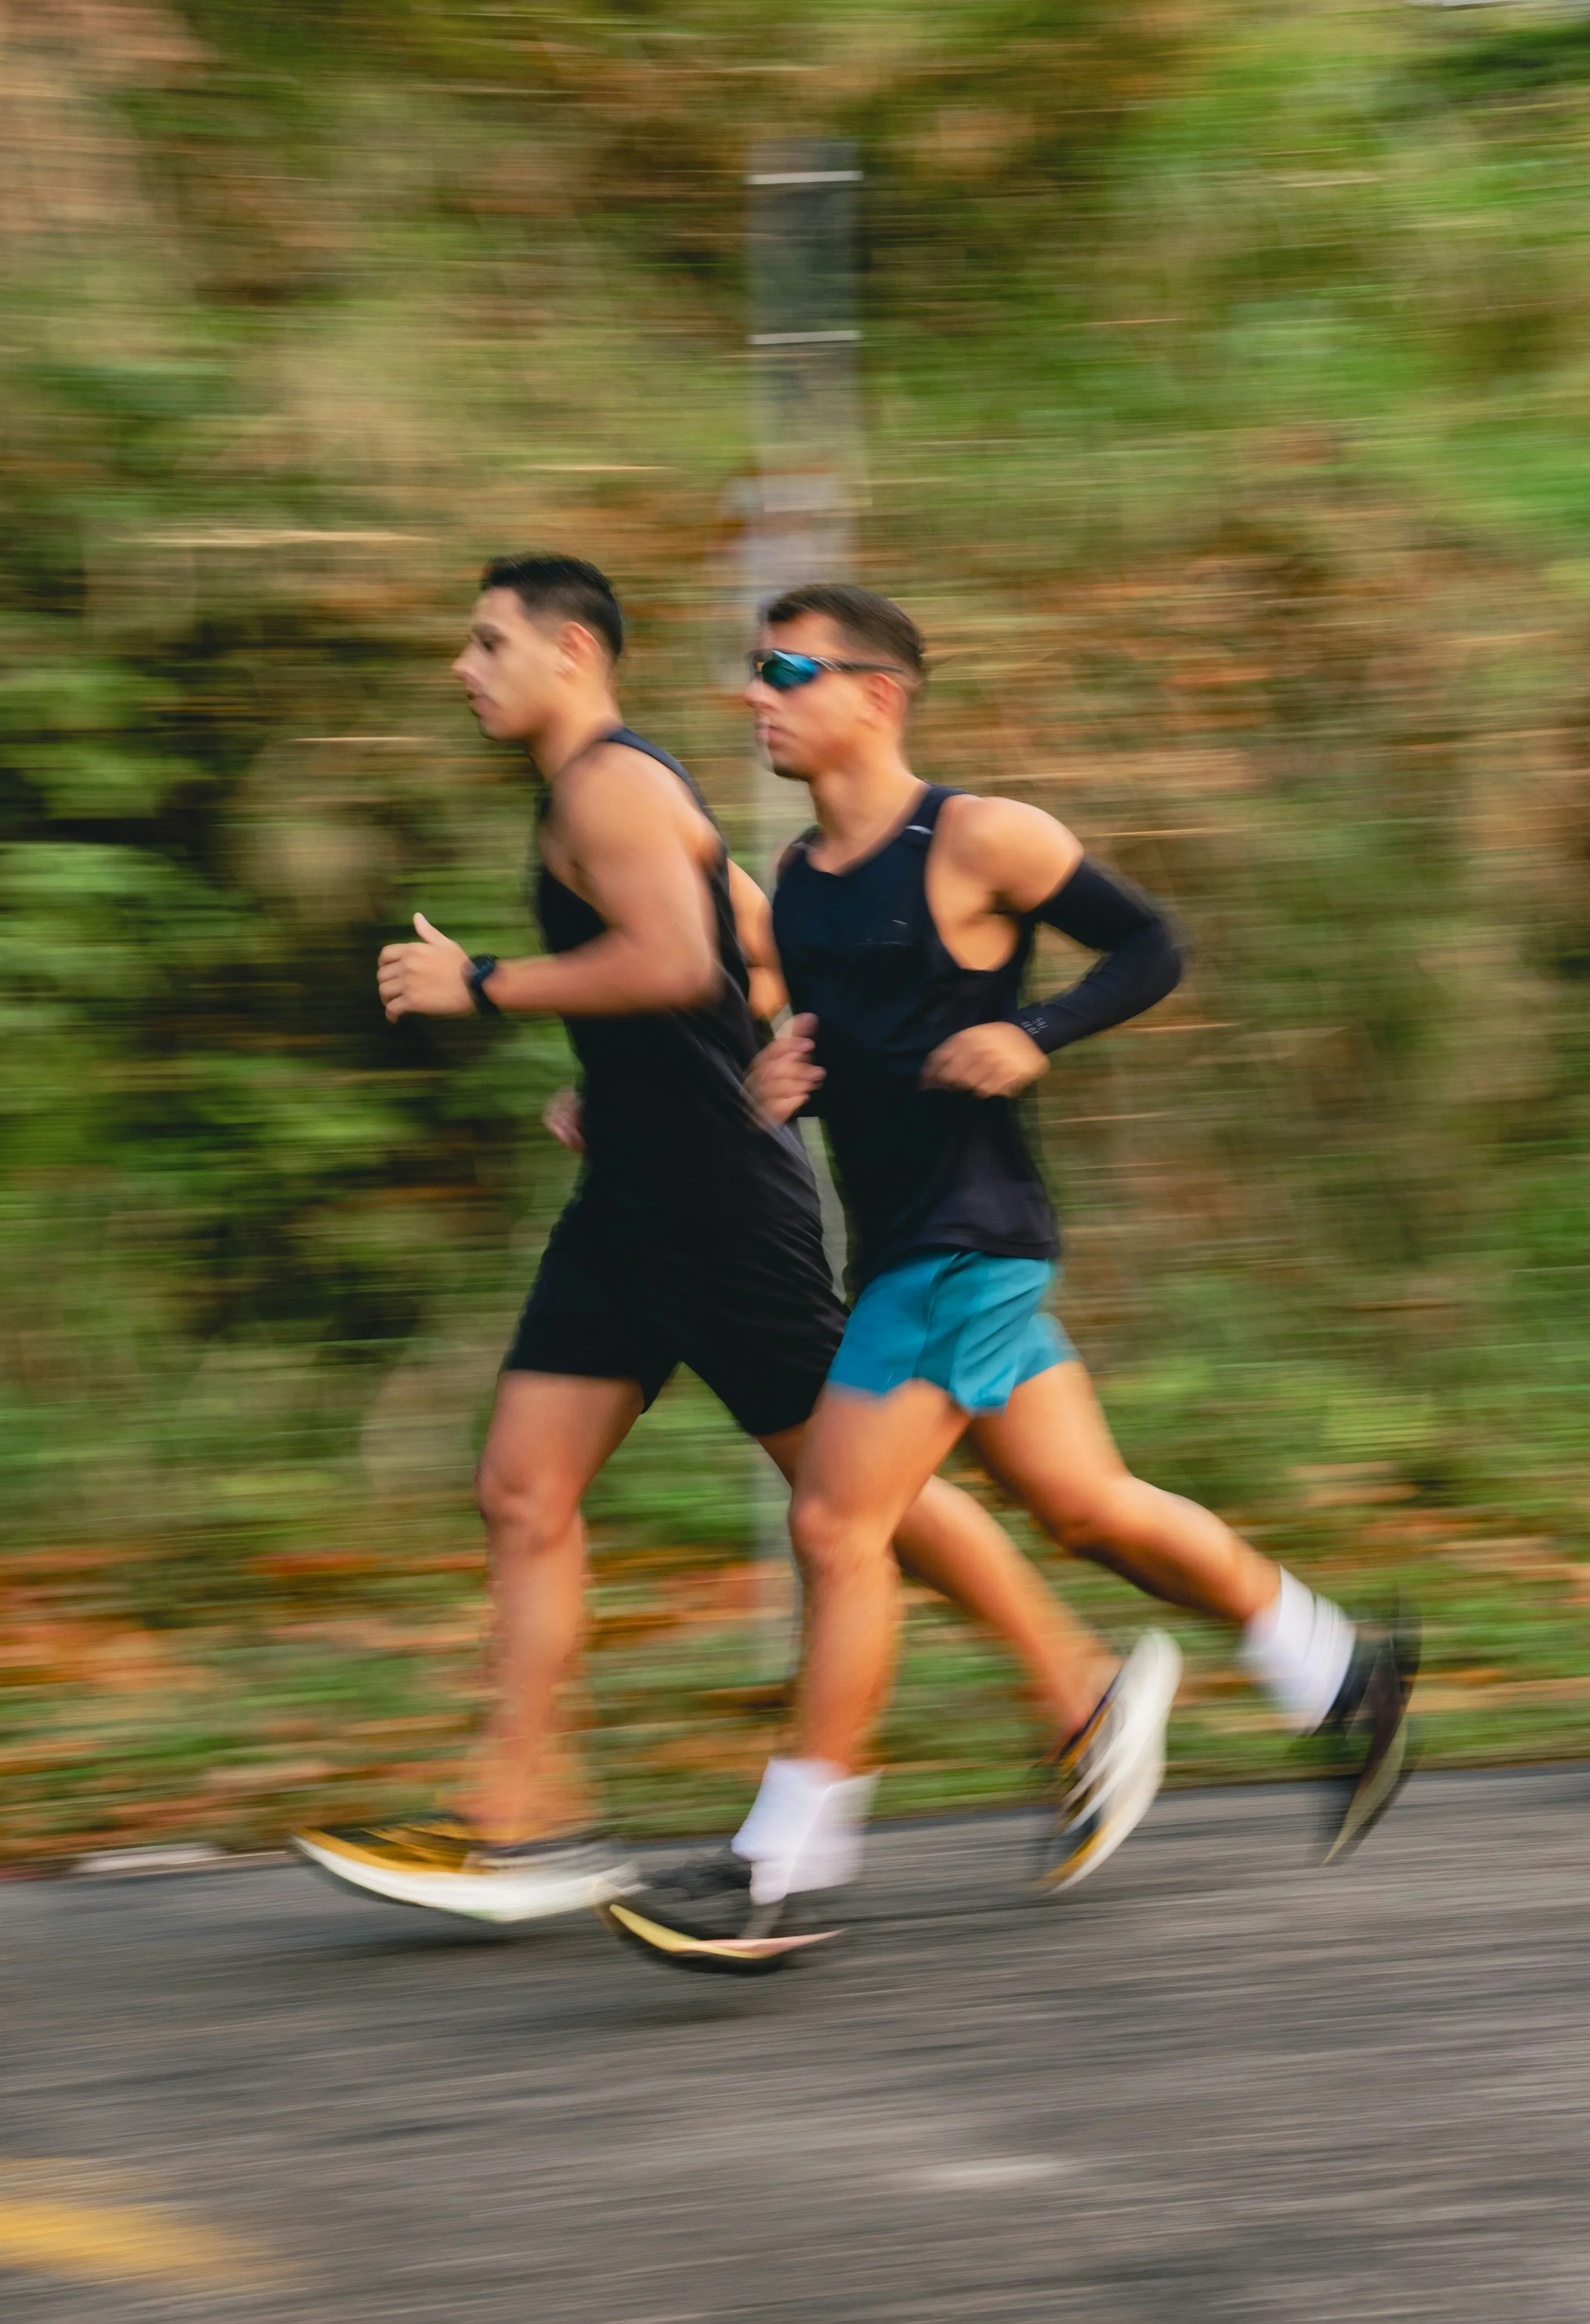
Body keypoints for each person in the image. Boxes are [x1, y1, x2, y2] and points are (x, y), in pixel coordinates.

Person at [293, 554, 1176, 1927]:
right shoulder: (602, 795)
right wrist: (644, 1072)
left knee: (855, 1506)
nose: (463, 670)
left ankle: (1077, 1696)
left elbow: (678, 963)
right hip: (635, 1197)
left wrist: (483, 982)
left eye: (486, 643)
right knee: (522, 1491)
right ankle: (520, 1818)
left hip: (719, 1209)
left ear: (573, 652)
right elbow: (755, 955)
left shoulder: (613, 784)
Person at [599, 583, 1415, 1973]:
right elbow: (841, 1038)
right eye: (750, 672)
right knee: (1087, 1509)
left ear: (878, 692)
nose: (755, 696)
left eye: (785, 670)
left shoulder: (979, 838)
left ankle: (777, 1868)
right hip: (908, 1241)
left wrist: (1037, 1029)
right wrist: (779, 1081)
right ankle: (1341, 1666)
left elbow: (1153, 945)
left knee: (835, 1529)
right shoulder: (796, 879)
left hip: (968, 1244)